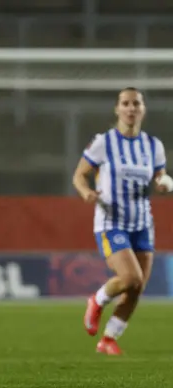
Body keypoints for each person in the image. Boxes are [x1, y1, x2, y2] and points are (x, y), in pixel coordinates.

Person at [74, 87, 172, 355]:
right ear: (117, 109)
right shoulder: (103, 143)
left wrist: (164, 182)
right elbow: (79, 175)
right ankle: (97, 299)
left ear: (143, 109)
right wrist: (86, 193)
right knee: (130, 277)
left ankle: (108, 339)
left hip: (142, 223)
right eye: (126, 103)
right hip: (111, 221)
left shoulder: (153, 146)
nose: (131, 108)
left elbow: (160, 176)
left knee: (138, 287)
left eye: (136, 104)